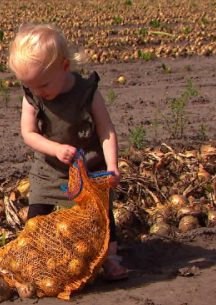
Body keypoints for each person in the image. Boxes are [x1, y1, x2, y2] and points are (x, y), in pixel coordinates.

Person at [7, 23, 128, 281]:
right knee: (37, 212)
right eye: (31, 86)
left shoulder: (88, 94)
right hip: (49, 168)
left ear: (64, 67)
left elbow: (107, 131)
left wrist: (112, 166)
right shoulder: (33, 96)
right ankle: (33, 255)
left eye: (43, 85)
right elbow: (29, 134)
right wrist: (56, 149)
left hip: (88, 167)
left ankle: (110, 257)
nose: (38, 92)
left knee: (101, 214)